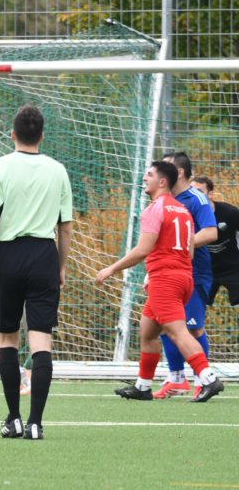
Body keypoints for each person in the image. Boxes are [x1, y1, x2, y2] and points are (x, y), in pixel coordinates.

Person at [0, 104, 72, 441]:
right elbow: (65, 226)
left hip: (10, 254)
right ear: (42, 136)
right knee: (41, 340)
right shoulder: (57, 169)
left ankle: (14, 419)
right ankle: (36, 424)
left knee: (7, 338)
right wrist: (60, 265)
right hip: (44, 255)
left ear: (12, 134)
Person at [96, 161, 223, 403]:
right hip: (182, 276)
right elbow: (189, 250)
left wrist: (111, 269)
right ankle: (143, 386)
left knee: (177, 332)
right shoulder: (182, 210)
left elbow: (143, 249)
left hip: (166, 279)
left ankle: (208, 378)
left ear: (162, 182)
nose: (145, 177)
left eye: (150, 174)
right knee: (148, 330)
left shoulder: (154, 209)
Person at [153, 152, 217, 399]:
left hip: (194, 274)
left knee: (193, 329)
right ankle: (177, 378)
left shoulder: (196, 199)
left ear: (178, 172)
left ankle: (204, 379)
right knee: (165, 325)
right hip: (168, 271)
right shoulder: (166, 200)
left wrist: (183, 243)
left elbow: (211, 233)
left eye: (165, 167)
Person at [191, 176, 239, 307]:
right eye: (192, 193)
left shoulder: (230, 212)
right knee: (195, 306)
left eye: (199, 192)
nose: (196, 196)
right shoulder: (189, 216)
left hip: (233, 268)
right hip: (205, 270)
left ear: (210, 194)